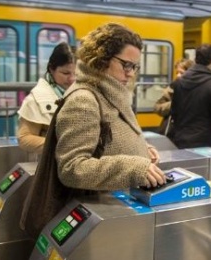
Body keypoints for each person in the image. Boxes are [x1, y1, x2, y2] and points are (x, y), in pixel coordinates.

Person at [55, 22, 166, 190]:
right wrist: (133, 167)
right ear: (102, 58)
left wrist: (143, 150)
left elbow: (111, 142)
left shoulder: (111, 93)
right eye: (126, 64)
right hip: (101, 205)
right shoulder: (84, 100)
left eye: (134, 67)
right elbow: (72, 168)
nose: (131, 73)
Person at [169, 44, 211, 148]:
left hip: (180, 141)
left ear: (195, 59)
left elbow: (174, 112)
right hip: (205, 142)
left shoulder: (179, 82)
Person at [17, 42, 76, 154]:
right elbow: (24, 138)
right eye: (65, 73)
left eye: (77, 73)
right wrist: (65, 147)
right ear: (51, 69)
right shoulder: (36, 99)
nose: (72, 79)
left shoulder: (85, 92)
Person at [153, 59, 194, 135]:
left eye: (181, 73)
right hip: (172, 131)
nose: (178, 75)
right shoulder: (171, 89)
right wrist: (173, 104)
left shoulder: (197, 90)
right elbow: (157, 107)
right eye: (177, 72)